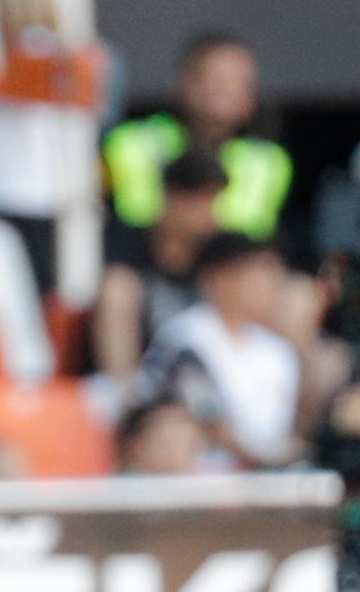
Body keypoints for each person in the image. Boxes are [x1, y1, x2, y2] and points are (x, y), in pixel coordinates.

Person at [103, 30, 292, 240]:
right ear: (184, 83)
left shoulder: (267, 161)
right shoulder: (130, 143)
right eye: (213, 78)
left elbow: (249, 237)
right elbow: (137, 220)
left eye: (236, 82)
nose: (222, 90)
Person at [136, 232, 302, 469]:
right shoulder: (183, 337)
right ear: (219, 279)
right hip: (194, 479)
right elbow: (205, 422)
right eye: (255, 275)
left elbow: (279, 434)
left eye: (272, 277)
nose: (267, 286)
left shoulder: (280, 352)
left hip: (264, 480)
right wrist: (266, 460)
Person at [93, 149, 226, 381]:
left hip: (200, 381)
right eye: (200, 201)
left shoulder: (219, 255)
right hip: (143, 377)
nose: (210, 215)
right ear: (171, 198)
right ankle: (128, 403)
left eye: (214, 202)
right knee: (118, 288)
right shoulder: (124, 242)